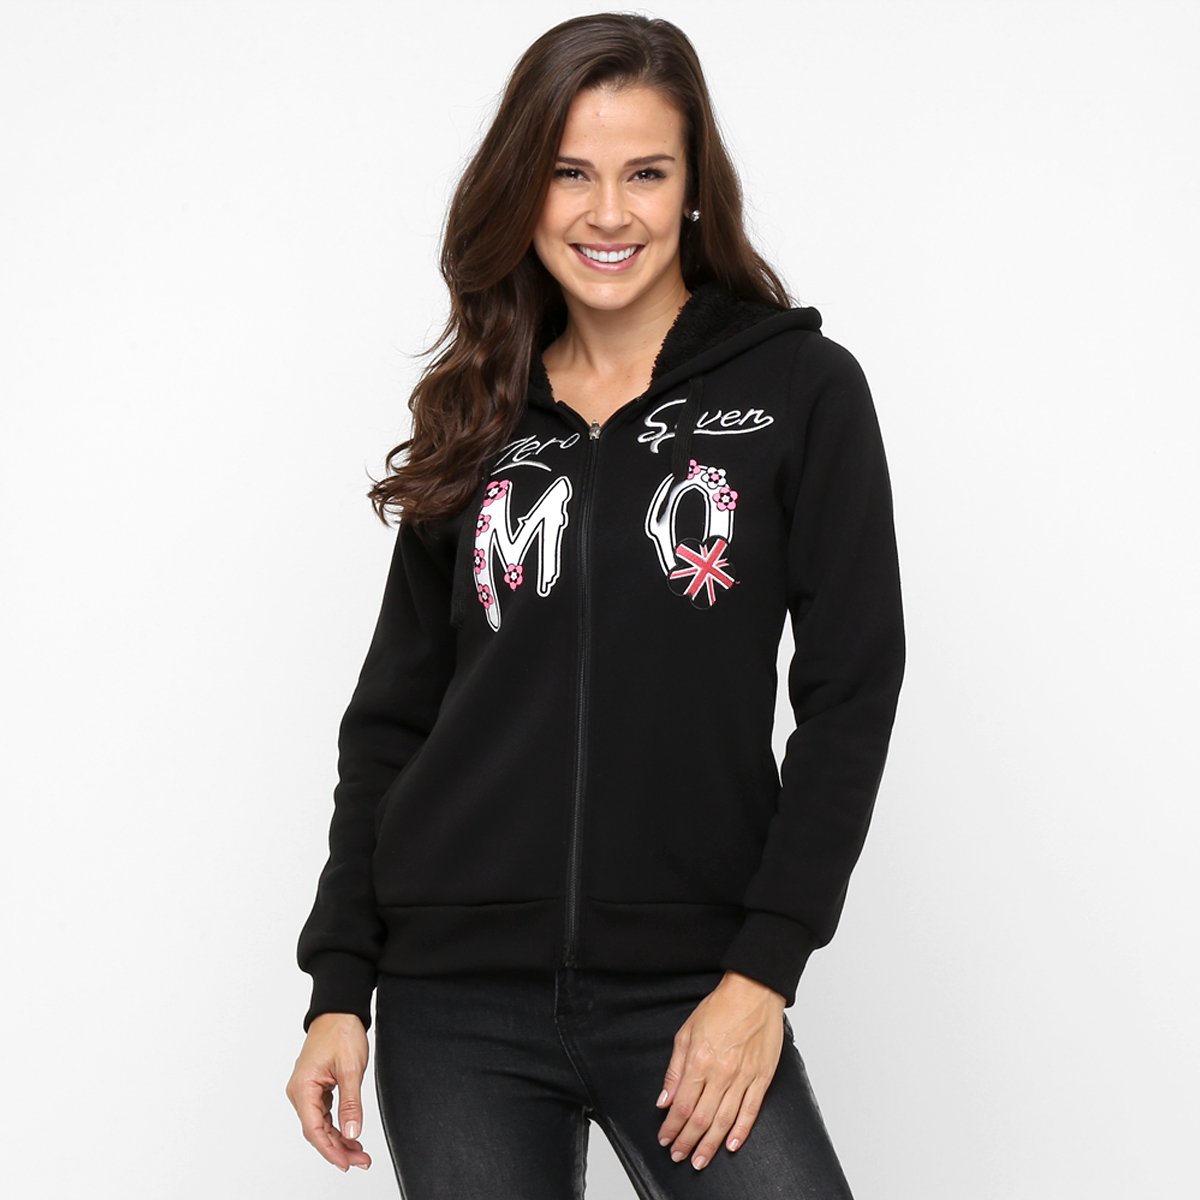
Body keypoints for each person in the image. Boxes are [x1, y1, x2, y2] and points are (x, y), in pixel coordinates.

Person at [285, 12, 905, 1198]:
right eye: (570, 173)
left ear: (696, 191)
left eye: (645, 173)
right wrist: (338, 987)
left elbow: (852, 693)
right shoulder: (477, 407)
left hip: (693, 986)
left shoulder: (800, 390)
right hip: (456, 1003)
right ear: (524, 188)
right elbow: (393, 720)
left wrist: (761, 974)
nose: (607, 213)